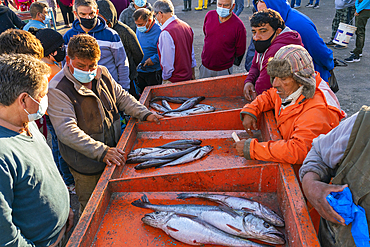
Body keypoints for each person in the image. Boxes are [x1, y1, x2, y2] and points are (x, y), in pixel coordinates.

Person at [47, 34, 162, 214]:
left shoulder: (102, 72)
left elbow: (122, 98)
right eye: (81, 66)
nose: (87, 71)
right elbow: (66, 131)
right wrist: (102, 151)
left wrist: (145, 113)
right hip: (87, 166)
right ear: (68, 60)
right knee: (92, 209)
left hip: (113, 153)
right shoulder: (58, 89)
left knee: (117, 204)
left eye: (91, 65)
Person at [0, 53, 73, 247]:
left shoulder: (25, 122)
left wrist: (65, 208)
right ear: (23, 100)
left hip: (61, 231)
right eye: (42, 95)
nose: (45, 99)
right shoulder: (2, 155)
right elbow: (5, 237)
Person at [234, 45, 345, 170]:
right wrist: (252, 109)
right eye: (274, 77)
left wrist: (252, 149)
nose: (275, 84)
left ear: (301, 79)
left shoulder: (318, 110)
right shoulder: (291, 88)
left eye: (282, 78)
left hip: (308, 174)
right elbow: (270, 96)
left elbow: (299, 150)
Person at [299, 106, 370, 246]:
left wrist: (251, 149)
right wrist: (310, 185)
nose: (276, 85)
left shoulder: (319, 105)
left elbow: (297, 148)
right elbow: (319, 152)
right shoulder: (364, 123)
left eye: (282, 81)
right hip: (333, 239)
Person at [32, 28, 76, 193]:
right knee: (62, 147)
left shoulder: (44, 65)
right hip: (58, 114)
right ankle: (68, 181)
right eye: (61, 47)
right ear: (52, 52)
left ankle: (63, 177)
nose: (64, 49)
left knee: (57, 146)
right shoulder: (53, 72)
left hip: (49, 115)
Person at [253, 0, 334, 82]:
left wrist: (330, 64)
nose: (261, 19)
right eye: (259, 13)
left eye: (265, 14)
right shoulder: (264, 28)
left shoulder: (301, 25)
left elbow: (320, 52)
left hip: (309, 78)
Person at [64, 0, 131, 91]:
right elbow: (66, 64)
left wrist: (124, 88)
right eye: (83, 14)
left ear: (97, 12)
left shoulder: (111, 35)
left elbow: (122, 63)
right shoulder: (68, 36)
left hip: (109, 87)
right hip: (81, 90)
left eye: (91, 13)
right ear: (76, 14)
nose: (88, 17)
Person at [243, 9, 303, 101]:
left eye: (263, 31)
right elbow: (255, 65)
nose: (256, 37)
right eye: (254, 32)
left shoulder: (277, 49)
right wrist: (249, 81)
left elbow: (263, 85)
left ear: (278, 31)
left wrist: (255, 103)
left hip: (286, 100)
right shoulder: (264, 42)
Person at [97, 0, 144, 99]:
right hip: (109, 79)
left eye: (105, 20)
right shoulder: (98, 32)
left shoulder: (124, 31)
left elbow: (138, 54)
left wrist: (130, 66)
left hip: (128, 77)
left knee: (133, 100)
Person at [199, 0, 246, 79]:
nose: (222, 8)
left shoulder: (238, 25)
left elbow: (240, 50)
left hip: (224, 70)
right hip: (205, 66)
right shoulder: (209, 15)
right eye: (219, 4)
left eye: (226, 5)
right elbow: (206, 33)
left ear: (233, 6)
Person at [154, 0, 196, 83]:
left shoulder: (166, 33)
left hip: (174, 79)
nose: (156, 19)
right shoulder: (186, 26)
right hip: (187, 76)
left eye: (155, 16)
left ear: (160, 14)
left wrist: (165, 78)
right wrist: (192, 72)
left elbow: (167, 62)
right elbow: (192, 54)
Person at [133, 8, 162, 91]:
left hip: (154, 72)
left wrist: (153, 59)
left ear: (149, 21)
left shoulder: (159, 31)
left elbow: (164, 51)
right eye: (137, 25)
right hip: (140, 71)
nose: (139, 27)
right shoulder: (139, 29)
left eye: (141, 24)